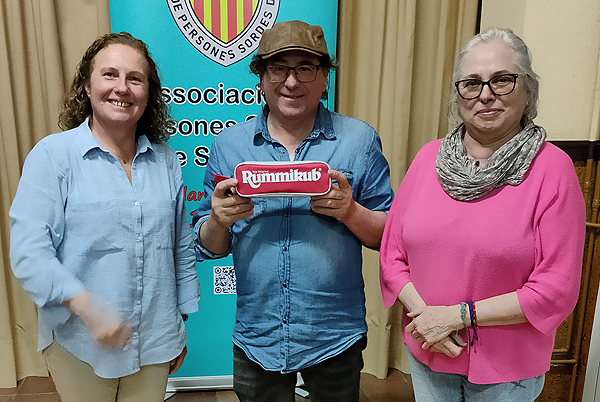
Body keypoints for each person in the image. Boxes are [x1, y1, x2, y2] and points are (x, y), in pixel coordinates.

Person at [379, 27, 586, 401]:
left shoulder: (553, 170)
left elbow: (555, 289)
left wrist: (456, 317)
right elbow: (392, 257)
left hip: (507, 371)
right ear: (458, 95)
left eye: (502, 80)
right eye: (472, 83)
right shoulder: (427, 159)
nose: (486, 94)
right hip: (429, 350)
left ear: (528, 89)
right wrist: (429, 320)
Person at [192, 20, 394, 402]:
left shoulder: (359, 140)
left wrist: (350, 211)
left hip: (335, 334)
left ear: (325, 78)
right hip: (258, 335)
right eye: (279, 68)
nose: (291, 81)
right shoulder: (229, 145)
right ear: (261, 77)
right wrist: (218, 220)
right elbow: (209, 246)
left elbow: (389, 236)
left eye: (305, 68)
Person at [9, 32, 200, 402]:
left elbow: (180, 247)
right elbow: (29, 253)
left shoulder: (166, 162)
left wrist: (179, 323)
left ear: (149, 93)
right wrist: (88, 307)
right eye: (110, 74)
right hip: (80, 341)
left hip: (156, 339)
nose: (122, 88)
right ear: (87, 85)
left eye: (135, 78)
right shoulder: (52, 156)